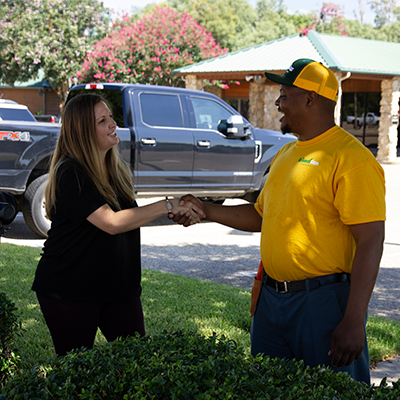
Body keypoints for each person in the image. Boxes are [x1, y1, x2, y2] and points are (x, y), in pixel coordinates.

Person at [171, 59, 386, 385]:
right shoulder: (286, 155)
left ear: (311, 99)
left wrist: (354, 320)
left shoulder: (352, 159)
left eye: (284, 95)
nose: (277, 103)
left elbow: (371, 241)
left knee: (333, 391)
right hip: (272, 301)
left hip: (323, 303)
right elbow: (262, 215)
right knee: (269, 387)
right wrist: (206, 210)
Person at [32, 93, 204, 356]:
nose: (113, 124)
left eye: (110, 116)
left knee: (136, 364)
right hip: (69, 289)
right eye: (102, 121)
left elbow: (127, 220)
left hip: (119, 289)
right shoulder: (71, 172)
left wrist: (175, 211)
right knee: (78, 372)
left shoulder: (114, 169)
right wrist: (168, 204)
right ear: (83, 133)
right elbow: (111, 223)